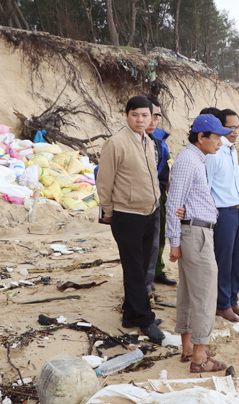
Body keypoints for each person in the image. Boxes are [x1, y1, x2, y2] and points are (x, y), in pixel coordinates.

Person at [166, 114, 231, 373]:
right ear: (201, 137)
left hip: (195, 231)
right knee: (204, 294)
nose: (221, 142)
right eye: (216, 137)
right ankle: (199, 358)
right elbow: (173, 202)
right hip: (196, 233)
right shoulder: (188, 161)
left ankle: (188, 348)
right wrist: (174, 241)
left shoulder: (194, 159)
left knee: (190, 292)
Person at [96, 96, 164, 342]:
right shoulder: (116, 143)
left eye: (145, 115)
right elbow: (104, 181)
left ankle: (130, 315)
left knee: (143, 264)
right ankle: (145, 320)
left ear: (151, 117)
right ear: (127, 115)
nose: (140, 119)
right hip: (128, 215)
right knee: (135, 268)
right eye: (135, 114)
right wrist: (109, 211)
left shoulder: (147, 140)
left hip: (150, 211)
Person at [201, 107, 239, 322]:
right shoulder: (215, 153)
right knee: (223, 260)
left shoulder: (233, 150)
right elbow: (207, 186)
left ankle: (232, 300)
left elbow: (233, 184)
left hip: (236, 211)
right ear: (220, 128)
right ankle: (222, 305)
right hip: (221, 213)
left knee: (236, 260)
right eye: (230, 127)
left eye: (237, 127)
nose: (235, 131)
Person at [145, 98, 177, 306]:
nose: (154, 119)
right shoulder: (130, 139)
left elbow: (163, 165)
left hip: (159, 193)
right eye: (151, 115)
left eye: (158, 115)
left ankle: (157, 271)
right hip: (140, 197)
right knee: (145, 240)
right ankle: (144, 281)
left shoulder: (159, 139)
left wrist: (165, 187)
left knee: (159, 234)